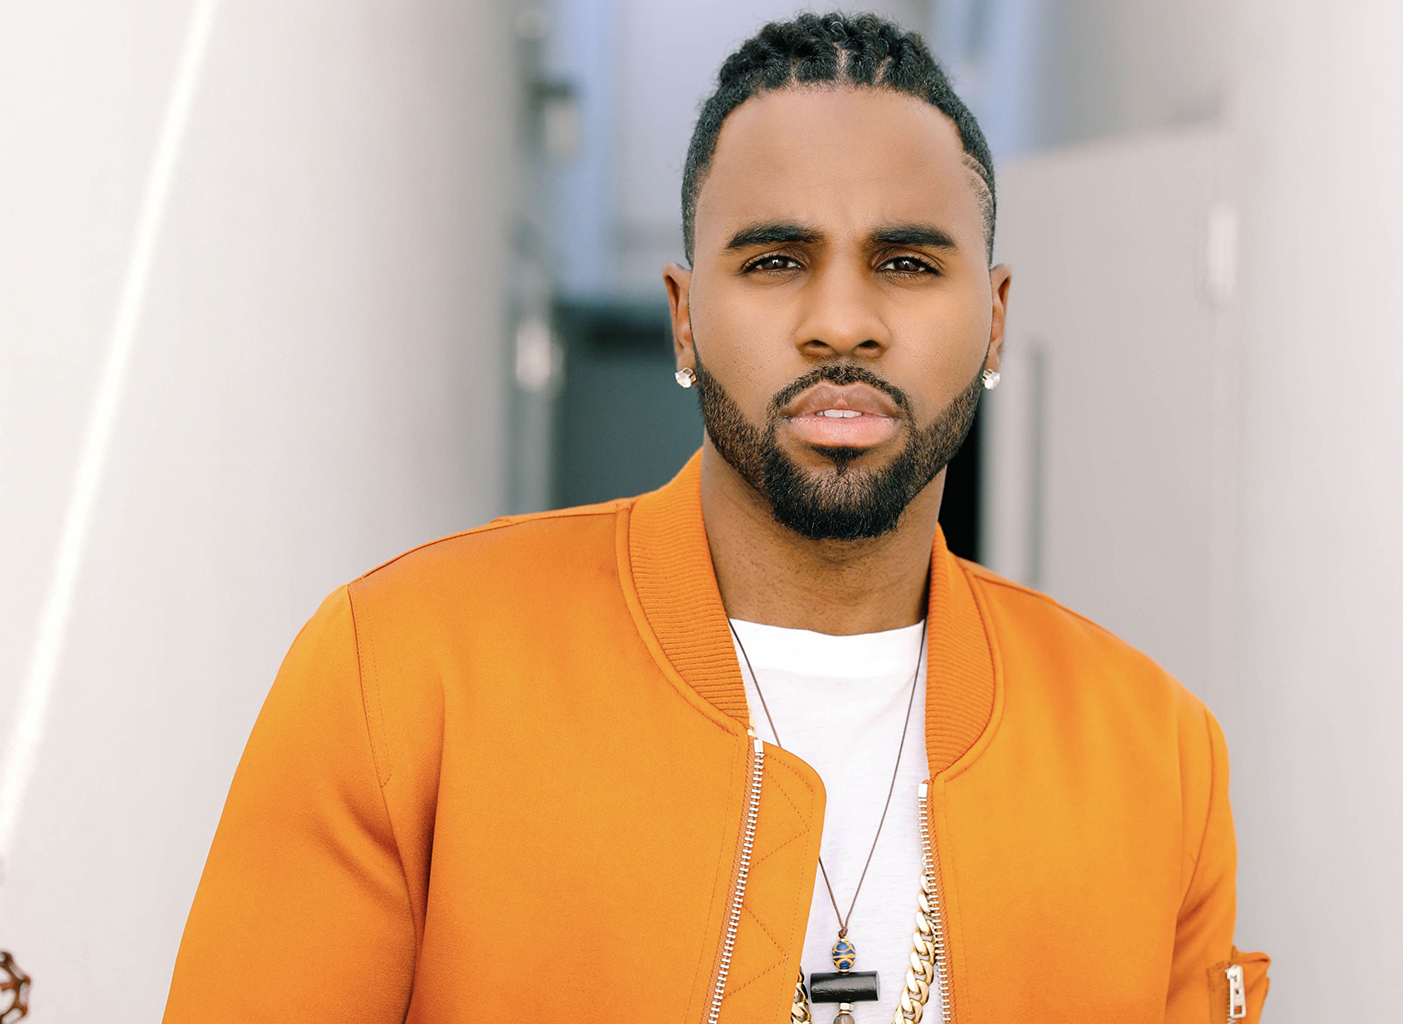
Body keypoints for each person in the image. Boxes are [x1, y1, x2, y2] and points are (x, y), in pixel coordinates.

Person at [164, 13, 1268, 1023]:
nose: (843, 320)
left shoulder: (1158, 757)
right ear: (685, 320)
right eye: (777, 260)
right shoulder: (403, 672)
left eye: (907, 262)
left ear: (995, 320)